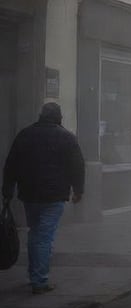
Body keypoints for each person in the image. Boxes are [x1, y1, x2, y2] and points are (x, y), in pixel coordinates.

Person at [2, 102, 84, 294]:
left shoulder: (25, 134)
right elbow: (77, 166)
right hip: (54, 196)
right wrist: (78, 190)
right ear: (59, 117)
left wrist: (7, 191)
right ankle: (39, 281)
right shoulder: (66, 137)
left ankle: (34, 275)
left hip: (29, 194)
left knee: (35, 233)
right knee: (44, 236)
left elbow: (11, 164)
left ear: (41, 115)